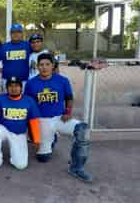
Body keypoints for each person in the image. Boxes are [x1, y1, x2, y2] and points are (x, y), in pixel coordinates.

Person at [24, 53, 93, 182]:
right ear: (37, 67)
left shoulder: (62, 80)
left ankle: (76, 167)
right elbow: (28, 105)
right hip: (42, 120)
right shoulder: (31, 83)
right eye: (41, 65)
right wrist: (32, 130)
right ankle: (51, 138)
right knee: (43, 158)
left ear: (53, 65)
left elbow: (69, 98)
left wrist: (67, 112)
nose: (44, 67)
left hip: (60, 118)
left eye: (47, 64)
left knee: (83, 130)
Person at [0, 76, 41, 171]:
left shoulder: (29, 101)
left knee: (21, 165)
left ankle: (15, 155)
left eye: (16, 86)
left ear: (21, 87)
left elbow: (34, 121)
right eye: (10, 86)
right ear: (7, 88)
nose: (13, 88)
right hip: (4, 129)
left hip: (19, 133)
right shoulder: (0, 99)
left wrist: (36, 140)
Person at [0, 23, 32, 91]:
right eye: (13, 32)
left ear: (22, 33)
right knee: (7, 101)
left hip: (24, 81)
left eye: (18, 32)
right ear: (10, 34)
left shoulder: (28, 45)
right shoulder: (4, 47)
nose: (16, 34)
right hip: (7, 81)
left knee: (23, 101)